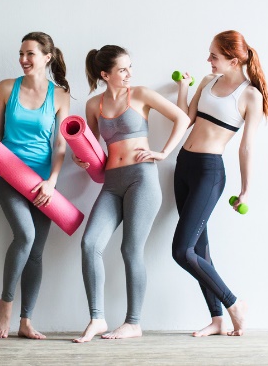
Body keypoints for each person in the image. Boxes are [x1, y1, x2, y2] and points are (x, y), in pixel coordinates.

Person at [73, 45, 189, 343]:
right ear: (105, 74)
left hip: (142, 180)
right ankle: (97, 318)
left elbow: (182, 118)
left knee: (130, 250)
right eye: (122, 69)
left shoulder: (140, 94)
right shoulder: (93, 105)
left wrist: (163, 152)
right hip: (111, 184)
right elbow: (94, 148)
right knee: (89, 244)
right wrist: (81, 159)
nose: (129, 73)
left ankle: (133, 323)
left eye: (130, 67)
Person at [173, 30, 268, 337]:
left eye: (214, 56)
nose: (208, 60)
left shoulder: (249, 95)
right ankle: (217, 319)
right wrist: (182, 88)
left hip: (209, 172)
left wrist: (245, 189)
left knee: (181, 250)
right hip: (183, 166)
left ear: (232, 60)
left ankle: (234, 304)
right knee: (199, 249)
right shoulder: (207, 81)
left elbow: (246, 146)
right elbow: (186, 118)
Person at [0, 32, 71, 340]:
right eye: (21, 53)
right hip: (7, 171)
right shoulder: (7, 87)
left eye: (30, 54)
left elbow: (61, 144)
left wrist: (52, 182)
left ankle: (26, 320)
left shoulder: (60, 95)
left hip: (42, 181)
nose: (23, 59)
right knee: (25, 234)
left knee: (36, 252)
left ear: (47, 57)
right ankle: (6, 301)